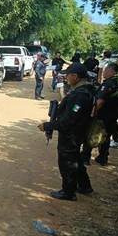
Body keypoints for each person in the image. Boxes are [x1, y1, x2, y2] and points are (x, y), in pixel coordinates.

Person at [38, 63, 94, 201]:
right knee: (76, 159)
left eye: (67, 75)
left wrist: (49, 125)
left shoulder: (81, 95)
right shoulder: (83, 90)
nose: (66, 77)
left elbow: (69, 120)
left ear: (75, 76)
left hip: (72, 134)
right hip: (76, 132)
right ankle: (85, 186)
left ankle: (68, 192)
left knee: (67, 162)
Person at [82, 63, 118, 166]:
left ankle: (85, 158)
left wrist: (92, 113)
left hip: (102, 115)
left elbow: (100, 101)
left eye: (106, 70)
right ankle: (103, 158)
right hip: (113, 116)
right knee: (106, 137)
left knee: (92, 134)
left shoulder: (108, 84)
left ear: (112, 71)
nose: (104, 72)